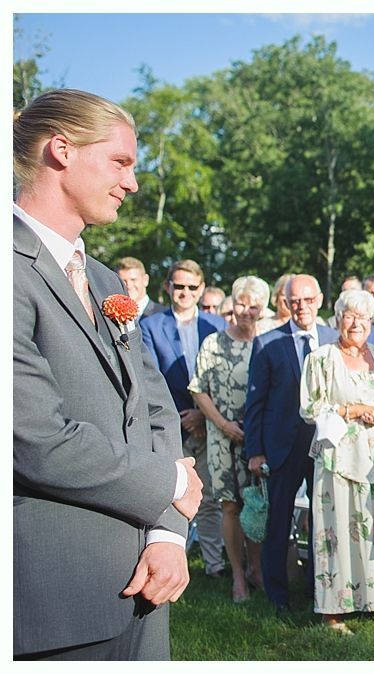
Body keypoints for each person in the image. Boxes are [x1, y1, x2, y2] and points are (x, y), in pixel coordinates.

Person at [13, 88, 202, 660]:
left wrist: (168, 533)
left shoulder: (104, 281)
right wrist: (170, 485)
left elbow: (154, 407)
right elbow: (34, 438)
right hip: (49, 594)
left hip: (146, 585)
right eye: (120, 161)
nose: (133, 182)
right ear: (62, 150)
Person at [299, 289, 374, 633]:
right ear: (337, 320)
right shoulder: (320, 358)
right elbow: (309, 409)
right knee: (339, 529)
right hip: (339, 459)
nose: (357, 322)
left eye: (364, 316)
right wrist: (355, 410)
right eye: (350, 315)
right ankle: (335, 608)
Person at [243, 274, 338, 612]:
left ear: (320, 300)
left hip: (324, 447)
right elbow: (255, 401)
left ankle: (319, 589)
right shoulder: (267, 342)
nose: (302, 307)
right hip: (281, 446)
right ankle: (277, 594)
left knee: (322, 518)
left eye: (308, 300)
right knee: (279, 521)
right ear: (286, 303)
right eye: (295, 301)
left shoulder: (333, 338)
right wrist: (254, 450)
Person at [141, 259, 229, 580]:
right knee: (168, 493)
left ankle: (213, 564)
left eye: (192, 287)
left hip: (209, 422)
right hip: (170, 421)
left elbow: (223, 377)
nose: (185, 293)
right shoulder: (150, 326)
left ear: (202, 288)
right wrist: (182, 415)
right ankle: (163, 553)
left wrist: (204, 415)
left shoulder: (216, 326)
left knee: (208, 496)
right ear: (167, 287)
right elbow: (152, 377)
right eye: (179, 286)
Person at [188, 276, 270, 603]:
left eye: (254, 305)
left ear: (263, 307)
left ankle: (257, 569)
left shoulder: (269, 342)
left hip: (260, 437)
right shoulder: (213, 343)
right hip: (223, 437)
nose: (246, 311)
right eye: (241, 303)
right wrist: (223, 425)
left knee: (259, 503)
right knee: (231, 505)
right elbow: (198, 389)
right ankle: (237, 574)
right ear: (232, 305)